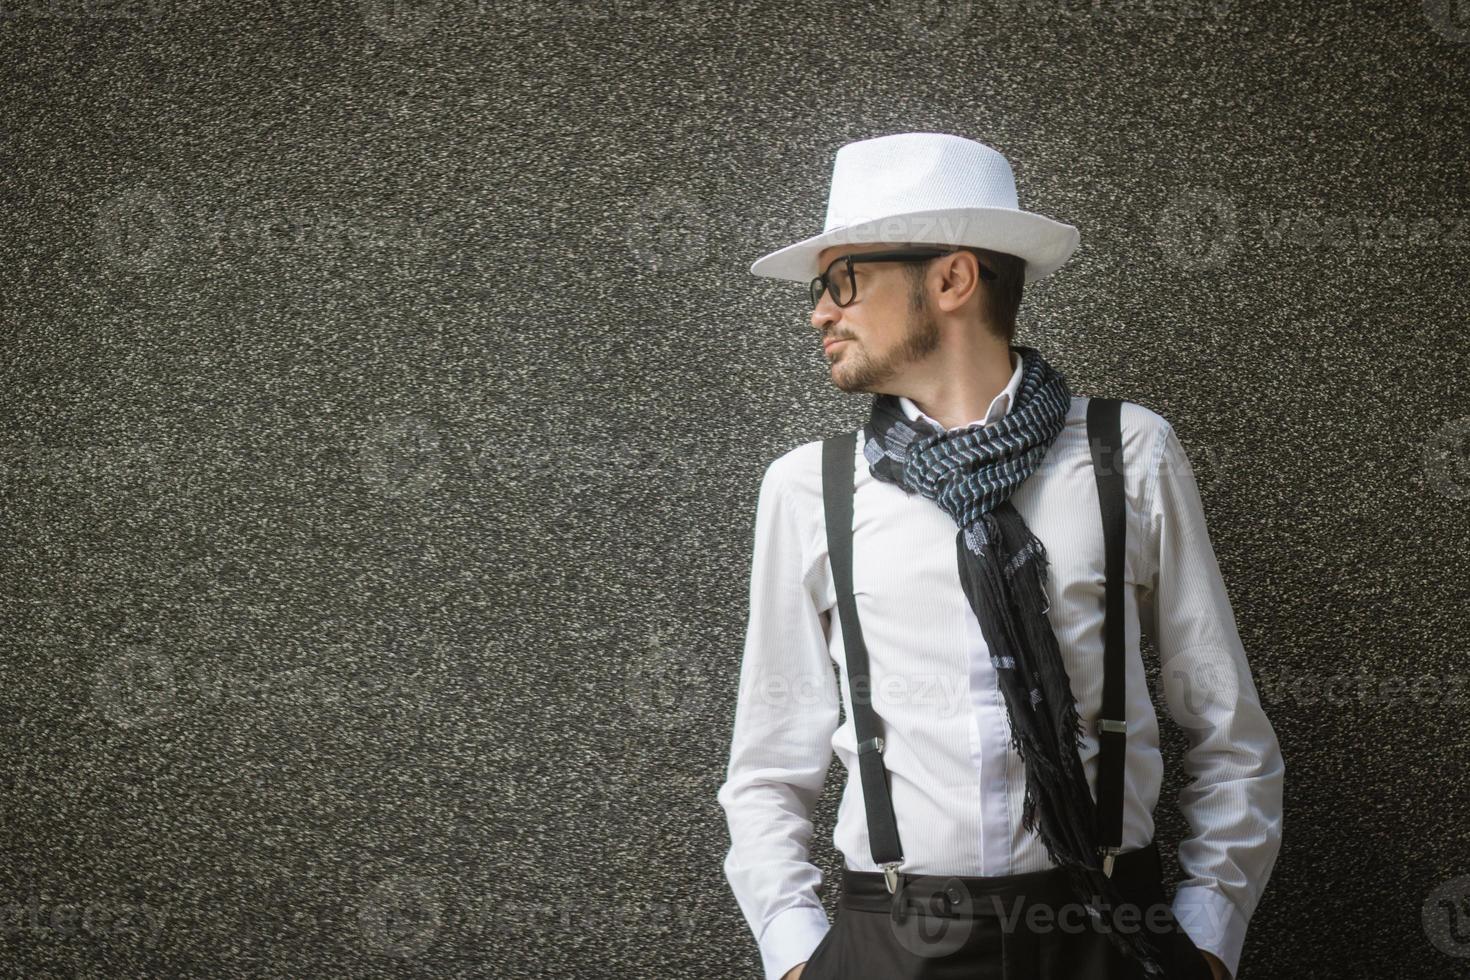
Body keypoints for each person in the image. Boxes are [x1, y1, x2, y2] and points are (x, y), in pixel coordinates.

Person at [717, 133, 1283, 980]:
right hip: (892, 939)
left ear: (950, 279)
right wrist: (798, 956)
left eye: (844, 281)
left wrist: (1208, 937)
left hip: (1109, 931)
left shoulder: (1126, 451)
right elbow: (767, 764)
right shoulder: (811, 487)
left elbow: (1228, 730)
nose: (819, 312)